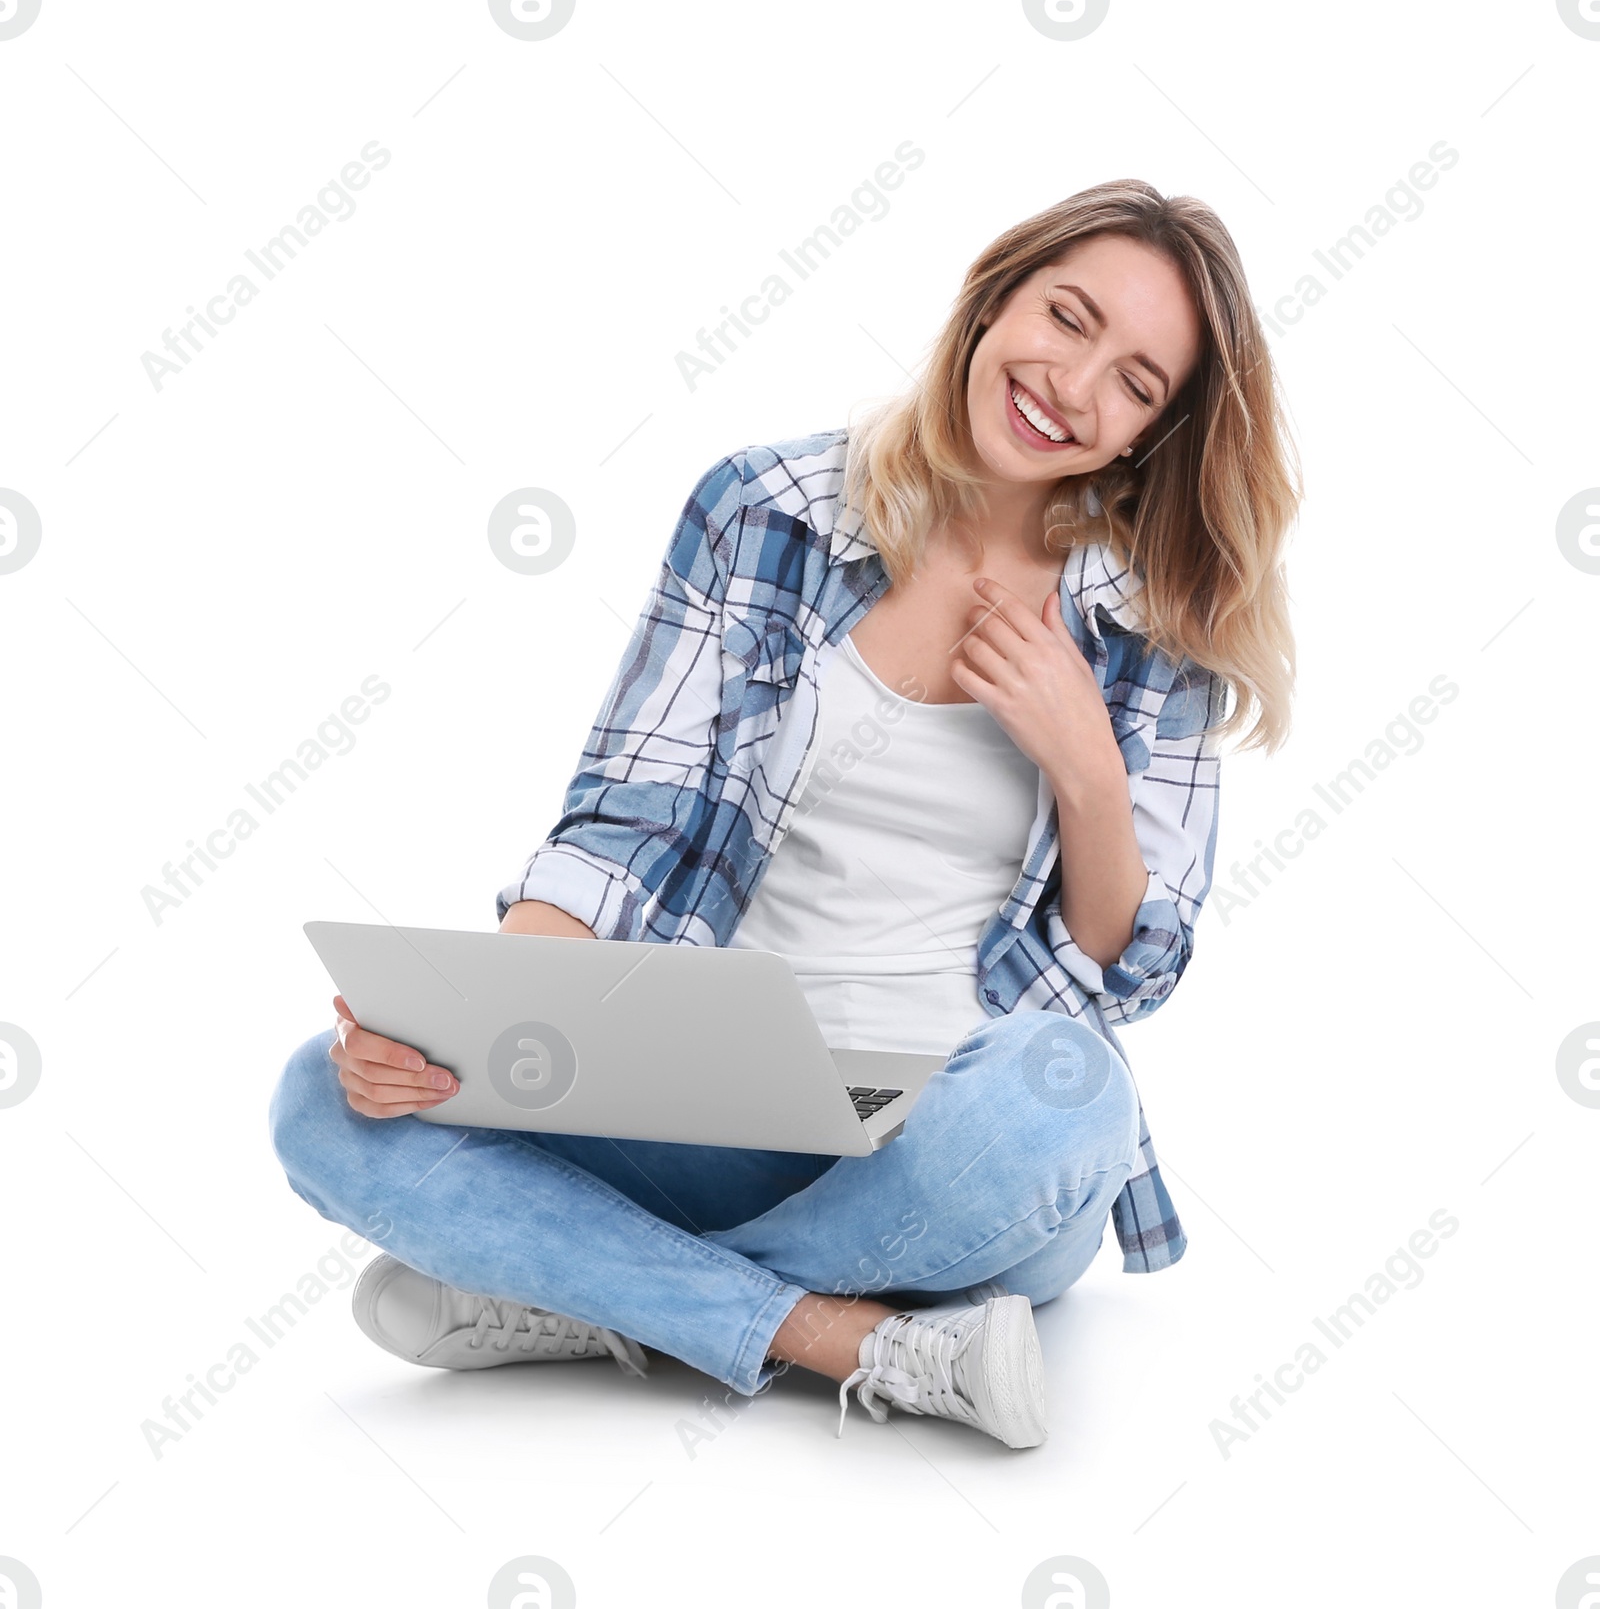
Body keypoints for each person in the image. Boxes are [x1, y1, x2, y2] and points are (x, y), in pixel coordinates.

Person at [269, 178, 1299, 1450]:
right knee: (326, 1099)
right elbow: (621, 829)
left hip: (954, 1138)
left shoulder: (1154, 628)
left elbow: (1129, 968)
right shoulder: (766, 510)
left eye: (1137, 382)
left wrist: (1086, 769)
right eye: (1066, 317)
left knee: (1069, 1097)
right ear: (991, 302)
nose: (1075, 385)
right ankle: (852, 1338)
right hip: (707, 1098)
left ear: (1153, 430)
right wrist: (477, 1038)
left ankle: (575, 1287)